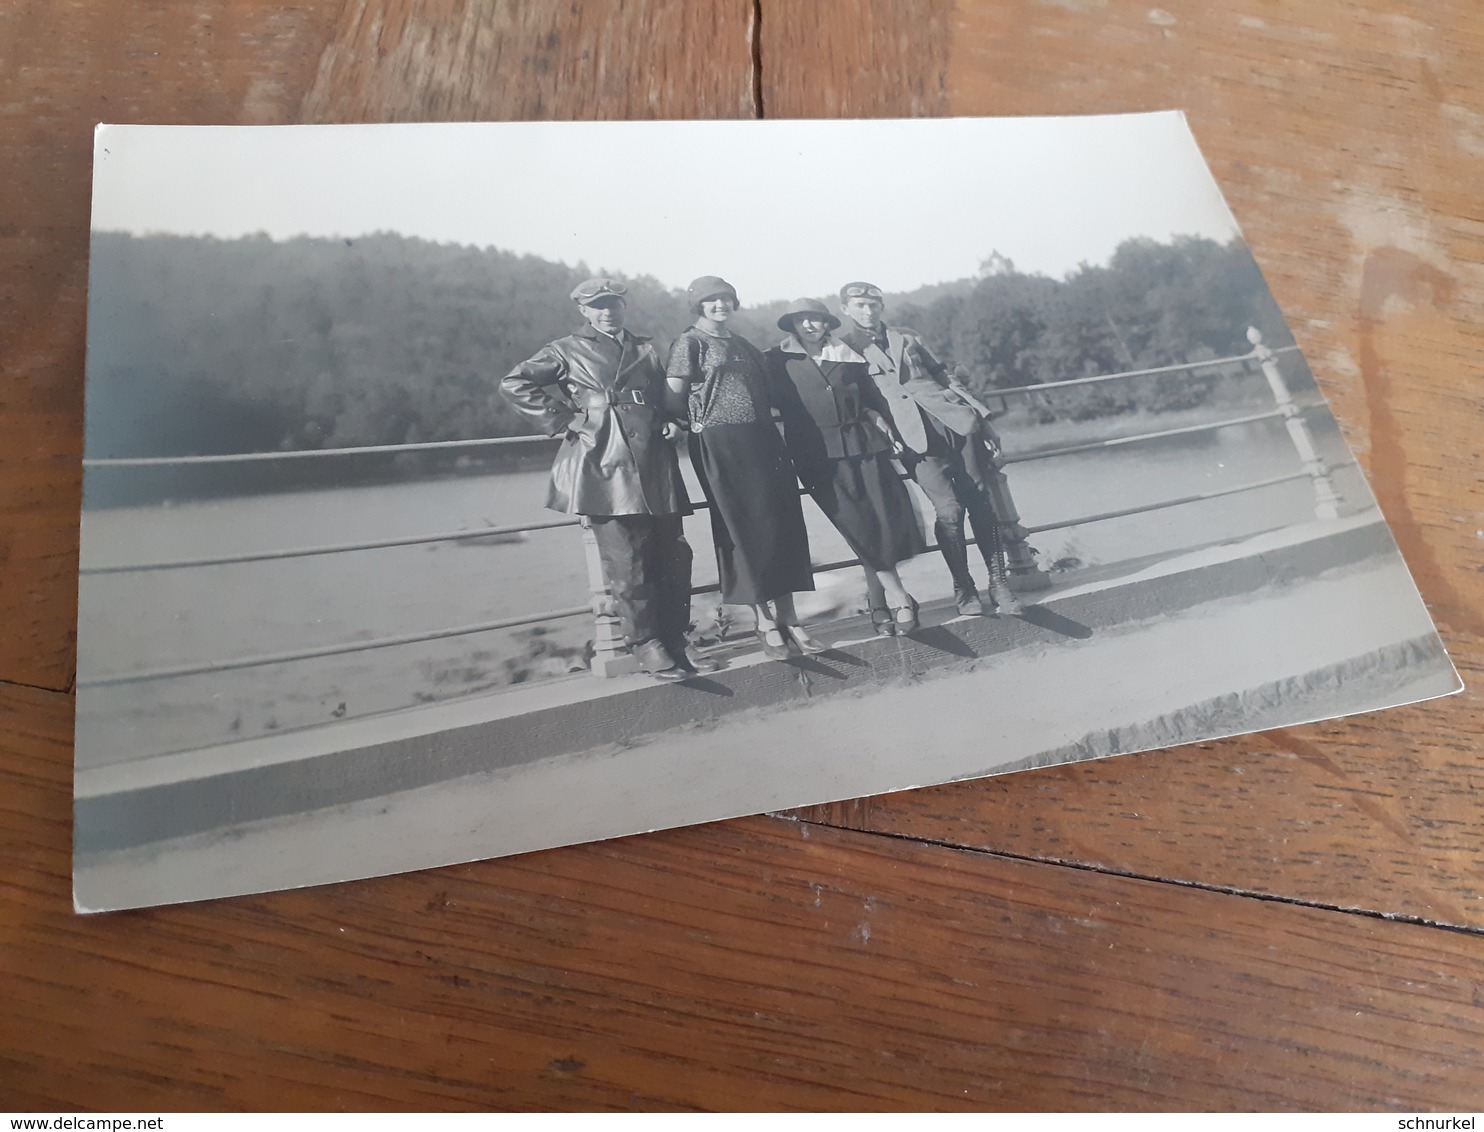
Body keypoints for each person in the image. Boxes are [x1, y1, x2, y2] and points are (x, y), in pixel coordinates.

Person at [499, 277, 714, 681]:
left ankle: (676, 641)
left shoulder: (644, 348)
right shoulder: (565, 349)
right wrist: (567, 418)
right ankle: (645, 644)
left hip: (653, 460)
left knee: (674, 554)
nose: (607, 311)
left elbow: (662, 397)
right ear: (583, 310)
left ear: (622, 306)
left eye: (613, 303)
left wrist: (672, 420)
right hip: (605, 460)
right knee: (626, 559)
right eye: (598, 305)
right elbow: (514, 383)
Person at [834, 280, 1023, 621]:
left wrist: (982, 417)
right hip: (912, 437)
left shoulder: (908, 336)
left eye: (873, 304)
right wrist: (876, 418)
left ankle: (999, 583)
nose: (867, 310)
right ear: (845, 310)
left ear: (881, 307)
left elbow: (945, 376)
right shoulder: (844, 348)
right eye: (859, 305)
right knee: (949, 511)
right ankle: (963, 587)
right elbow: (853, 398)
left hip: (956, 423)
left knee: (981, 502)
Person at [665, 276, 822, 660]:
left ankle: (790, 619)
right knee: (742, 529)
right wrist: (680, 424)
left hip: (764, 440)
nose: (720, 305)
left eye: (725, 299)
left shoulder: (743, 345)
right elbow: (673, 399)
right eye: (711, 300)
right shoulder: (690, 343)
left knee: (780, 525)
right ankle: (764, 621)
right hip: (720, 443)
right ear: (698, 306)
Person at [765, 298, 924, 635]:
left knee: (881, 525)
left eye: (815, 319)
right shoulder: (776, 361)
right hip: (815, 456)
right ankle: (900, 599)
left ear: (826, 323)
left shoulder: (848, 355)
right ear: (792, 326)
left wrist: (879, 417)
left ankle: (881, 608)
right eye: (800, 320)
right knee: (856, 528)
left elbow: (870, 398)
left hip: (865, 445)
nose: (808, 326)